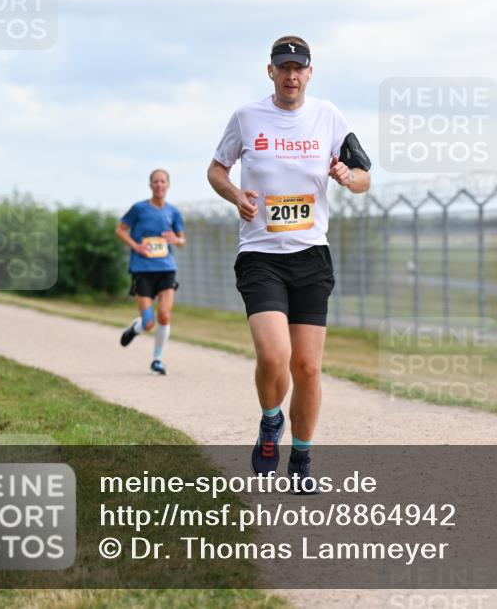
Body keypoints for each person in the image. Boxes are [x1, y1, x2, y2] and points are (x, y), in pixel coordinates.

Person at [207, 35, 372, 488]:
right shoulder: (246, 117)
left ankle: (301, 459)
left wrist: (347, 176)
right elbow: (216, 170)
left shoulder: (328, 116)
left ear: (310, 73)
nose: (291, 75)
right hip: (260, 255)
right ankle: (269, 420)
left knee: (308, 367)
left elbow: (364, 177)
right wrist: (236, 195)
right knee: (274, 355)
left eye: (299, 68)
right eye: (284, 67)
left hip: (311, 256)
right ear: (271, 72)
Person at [116, 169, 186, 376]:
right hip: (143, 269)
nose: (159, 185)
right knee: (148, 323)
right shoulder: (139, 209)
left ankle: (157, 359)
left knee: (164, 315)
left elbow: (182, 241)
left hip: (166, 269)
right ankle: (135, 328)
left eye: (163, 181)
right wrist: (136, 247)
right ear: (150, 185)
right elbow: (120, 230)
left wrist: (176, 239)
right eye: (156, 181)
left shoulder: (173, 212)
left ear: (168, 185)